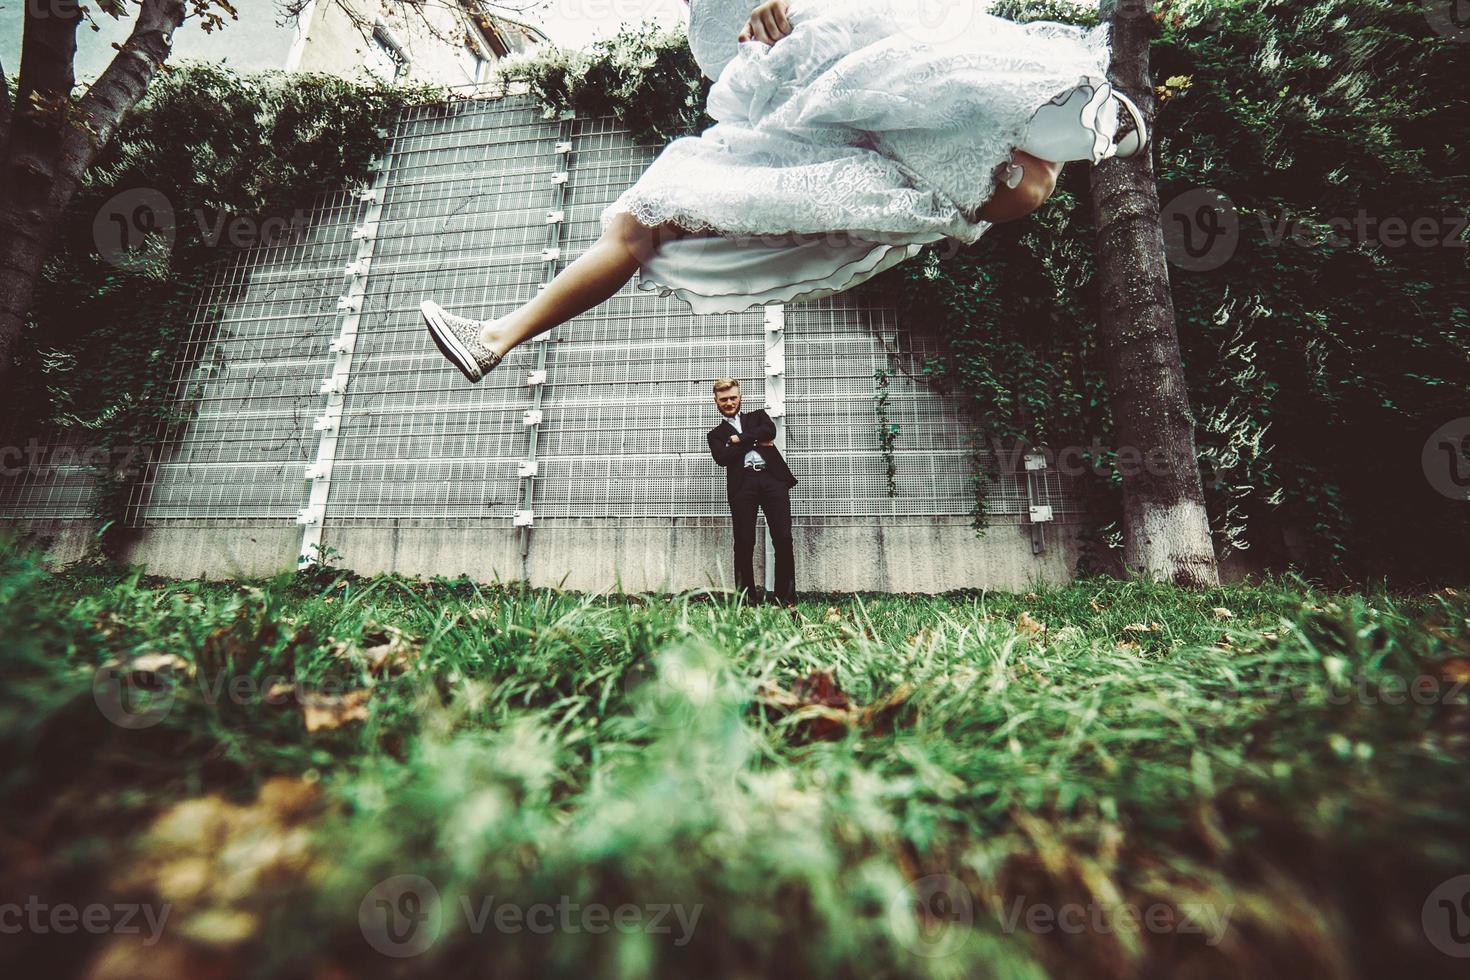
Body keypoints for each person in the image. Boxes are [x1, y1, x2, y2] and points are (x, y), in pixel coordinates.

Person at [422, 0, 1147, 382]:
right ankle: (494, 338)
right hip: (820, 148)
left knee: (1026, 177)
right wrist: (763, 28)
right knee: (642, 218)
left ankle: (1058, 130)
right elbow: (735, 60)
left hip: (898, 107)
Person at [707, 378, 797, 606]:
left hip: (772, 480)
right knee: (744, 541)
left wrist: (738, 440)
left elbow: (770, 431)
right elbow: (722, 458)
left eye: (733, 397)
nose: (729, 402)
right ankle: (746, 599)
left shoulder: (757, 417)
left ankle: (784, 597)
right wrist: (755, 440)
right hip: (743, 485)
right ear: (716, 401)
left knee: (784, 538)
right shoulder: (716, 434)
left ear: (740, 398)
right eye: (724, 399)